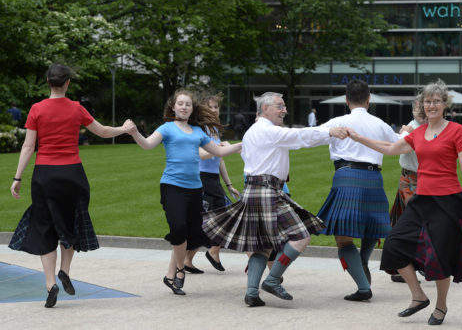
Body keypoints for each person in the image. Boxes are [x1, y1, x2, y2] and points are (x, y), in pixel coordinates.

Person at [347, 79, 462, 326]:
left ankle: (441, 307)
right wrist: (358, 138)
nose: (432, 105)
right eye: (428, 101)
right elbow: (389, 148)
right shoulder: (417, 133)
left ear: (444, 104)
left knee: (439, 257)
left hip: (448, 201)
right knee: (394, 244)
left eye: (436, 101)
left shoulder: (456, 130)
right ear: (422, 105)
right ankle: (418, 296)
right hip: (421, 201)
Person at [202, 91, 347, 307]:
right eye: (280, 106)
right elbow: (301, 137)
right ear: (265, 109)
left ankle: (252, 293)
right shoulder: (268, 131)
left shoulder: (253, 131)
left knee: (262, 245)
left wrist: (328, 130)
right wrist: (330, 132)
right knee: (302, 236)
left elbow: (296, 137)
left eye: (284, 105)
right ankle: (272, 279)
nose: (284, 110)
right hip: (267, 190)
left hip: (255, 190)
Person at [8, 63, 134, 308]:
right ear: (67, 83)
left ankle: (49, 283)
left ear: (48, 82)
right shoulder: (77, 109)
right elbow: (103, 131)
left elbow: (27, 147)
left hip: (45, 175)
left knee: (45, 226)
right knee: (72, 220)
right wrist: (125, 129)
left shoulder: (36, 109)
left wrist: (17, 178)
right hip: (73, 174)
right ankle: (65, 270)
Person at [128, 89, 241, 296]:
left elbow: (219, 153)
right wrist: (135, 132)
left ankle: (171, 275)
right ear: (173, 107)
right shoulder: (167, 128)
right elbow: (147, 145)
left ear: (192, 108)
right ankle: (180, 270)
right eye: (180, 103)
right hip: (172, 186)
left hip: (195, 189)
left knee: (190, 233)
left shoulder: (198, 132)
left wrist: (242, 145)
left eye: (187, 104)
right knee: (178, 228)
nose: (184, 107)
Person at [317, 79, 404, 302]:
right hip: (374, 176)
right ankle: (363, 259)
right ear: (369, 99)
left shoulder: (337, 121)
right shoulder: (380, 124)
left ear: (346, 100)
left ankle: (364, 287)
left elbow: (312, 135)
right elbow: (399, 144)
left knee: (343, 239)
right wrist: (406, 132)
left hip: (346, 176)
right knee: (372, 223)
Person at [183, 91, 240, 274]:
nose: (214, 110)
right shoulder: (198, 130)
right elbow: (201, 154)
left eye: (216, 107)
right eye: (210, 107)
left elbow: (219, 160)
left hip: (213, 180)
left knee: (219, 218)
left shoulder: (214, 130)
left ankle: (190, 259)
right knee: (214, 219)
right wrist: (219, 149)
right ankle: (208, 252)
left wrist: (229, 184)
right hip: (201, 179)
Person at [389, 100, 425, 283]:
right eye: (418, 107)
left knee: (414, 223)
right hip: (410, 179)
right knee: (410, 224)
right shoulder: (411, 127)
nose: (421, 110)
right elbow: (395, 148)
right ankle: (404, 266)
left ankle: (421, 262)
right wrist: (410, 134)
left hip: (425, 179)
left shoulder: (426, 126)